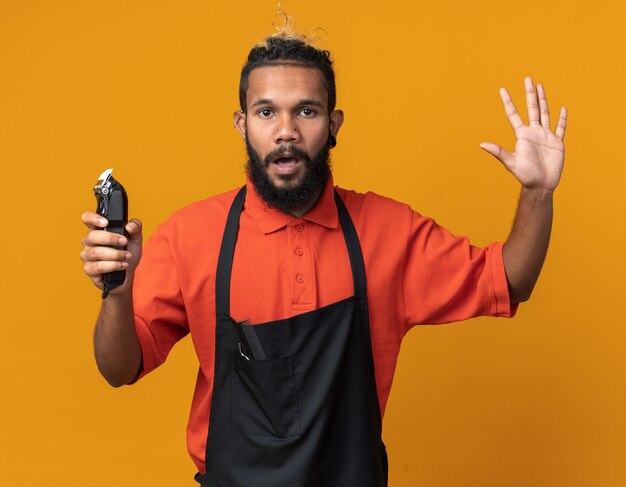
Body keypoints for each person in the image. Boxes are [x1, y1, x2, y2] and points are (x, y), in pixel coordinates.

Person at [80, 21, 567, 487]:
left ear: (333, 124)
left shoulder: (389, 232)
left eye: (306, 111)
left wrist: (538, 193)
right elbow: (119, 369)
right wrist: (117, 296)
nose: (286, 130)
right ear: (241, 123)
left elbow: (509, 280)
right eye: (266, 111)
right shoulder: (190, 235)